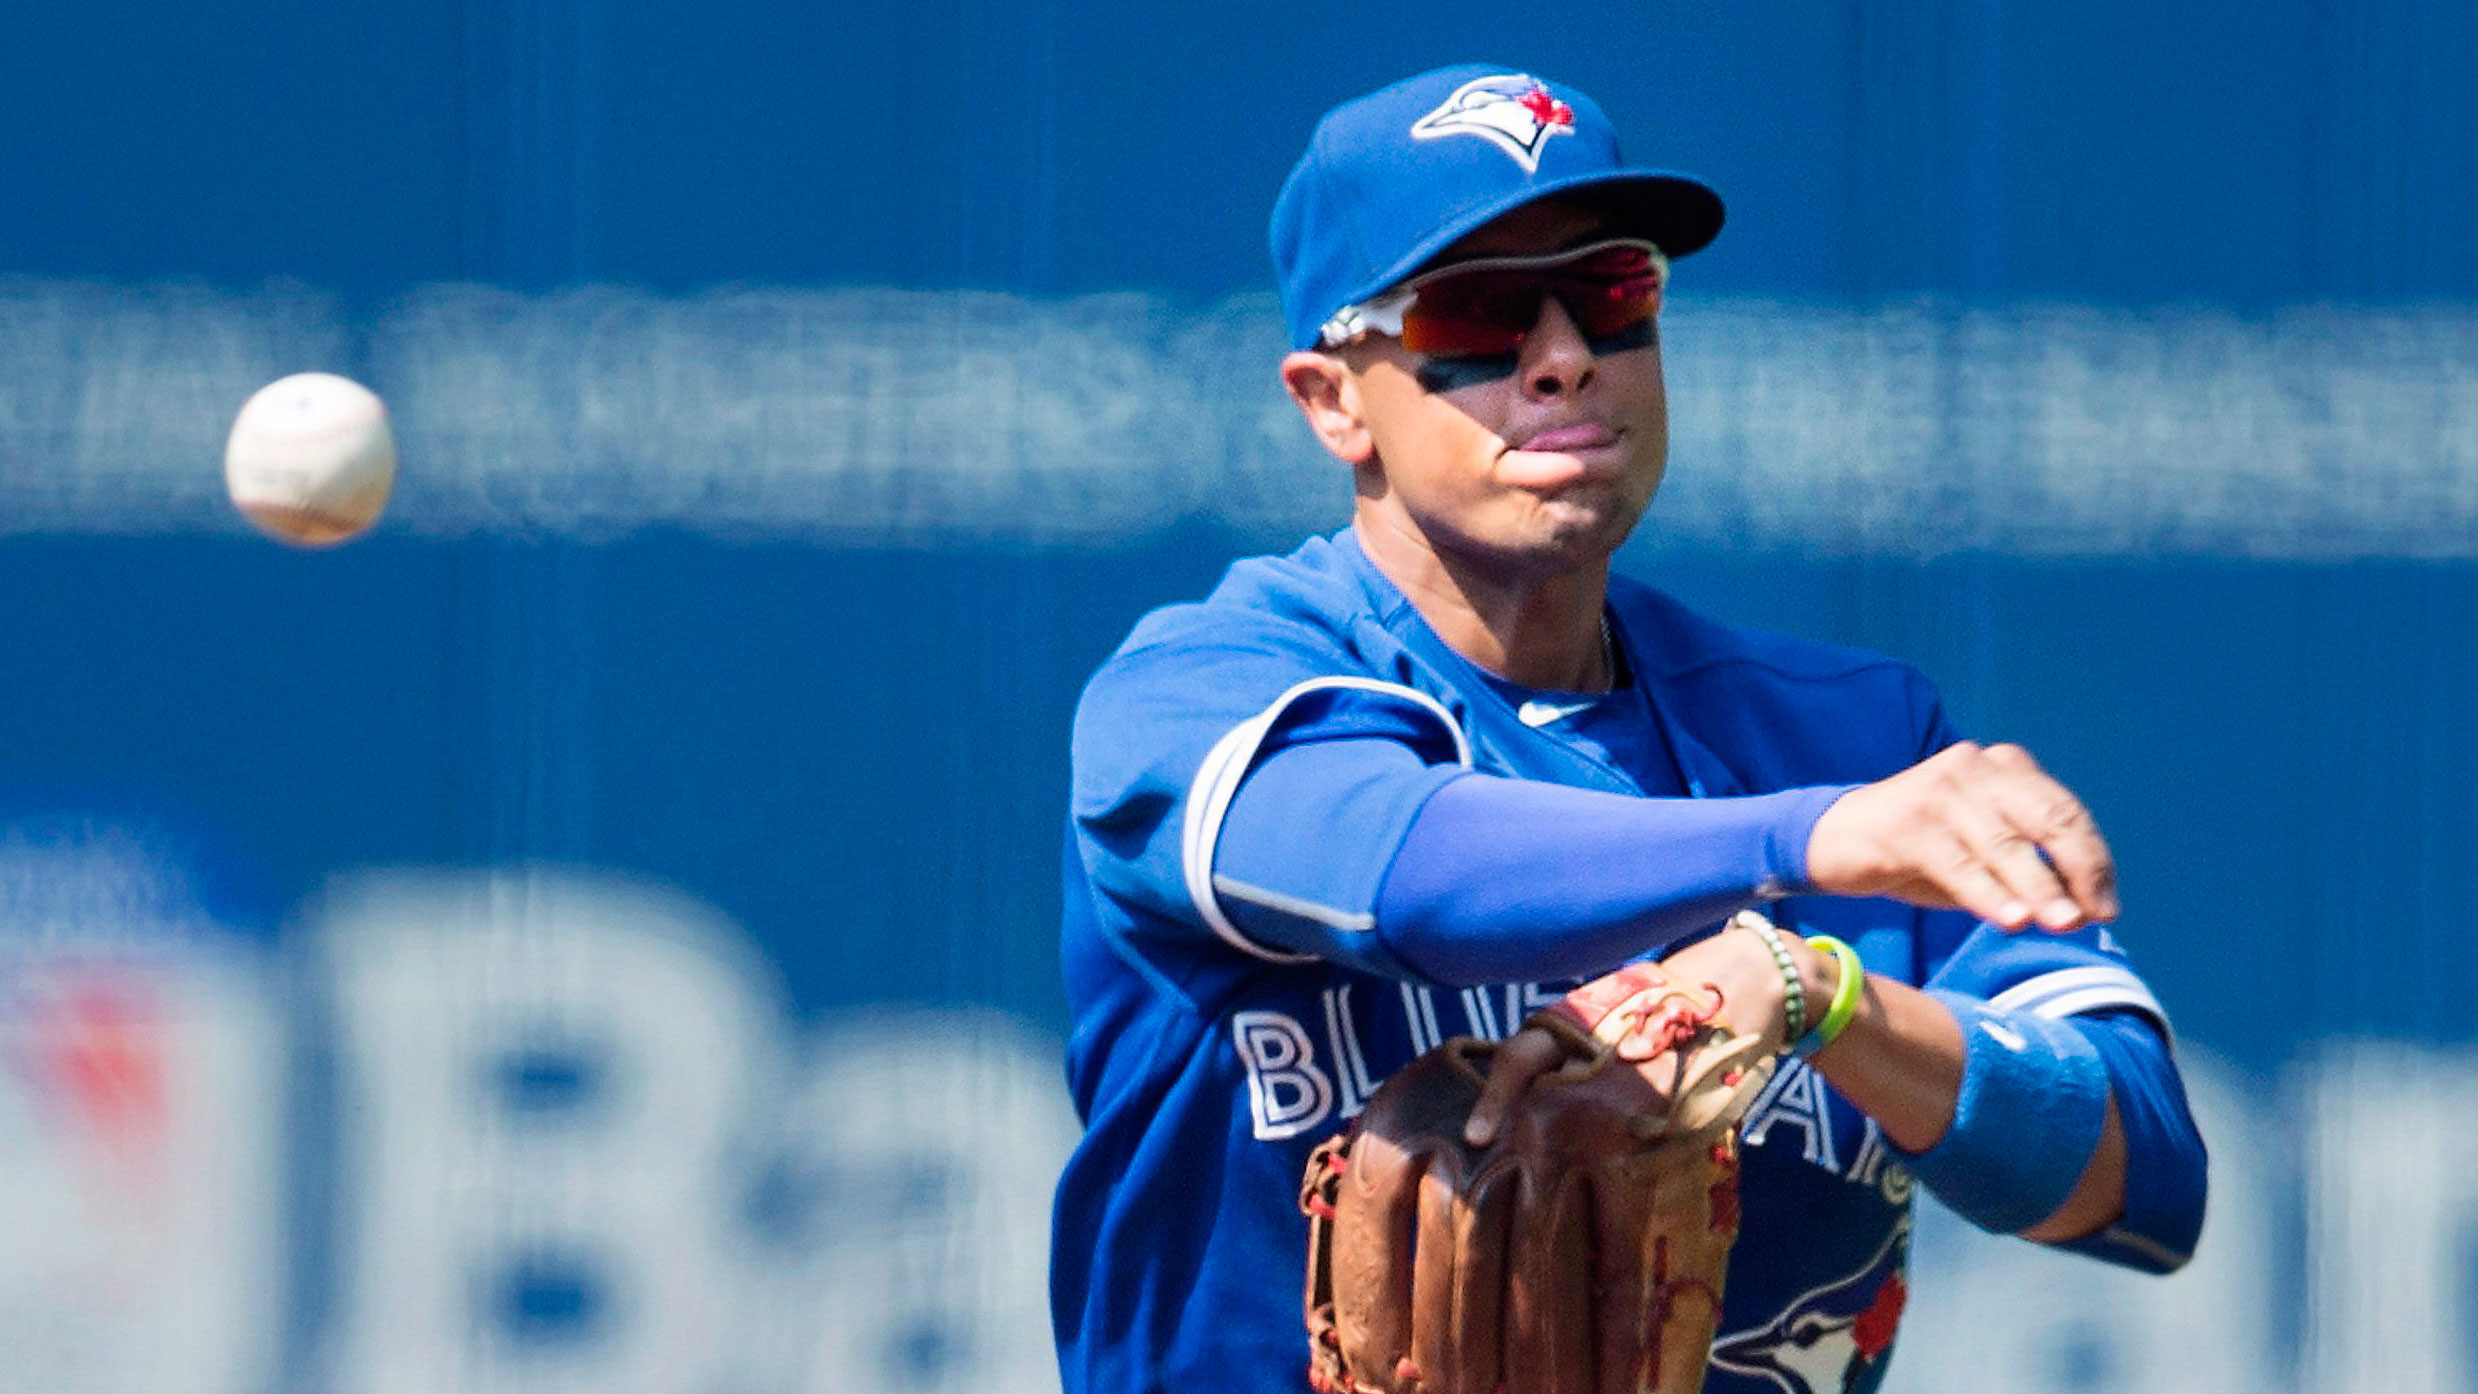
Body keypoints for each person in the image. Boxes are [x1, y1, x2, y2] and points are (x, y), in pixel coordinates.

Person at [1050, 64, 2207, 1394]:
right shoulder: (1201, 692)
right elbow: (1400, 871)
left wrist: (1813, 991)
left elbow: (2139, 1176)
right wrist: (1801, 838)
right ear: (1331, 399)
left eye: (1610, 293)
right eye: (1477, 311)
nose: (1562, 356)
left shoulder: (1848, 733)